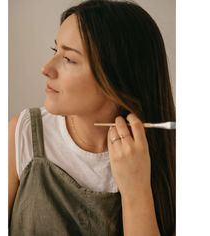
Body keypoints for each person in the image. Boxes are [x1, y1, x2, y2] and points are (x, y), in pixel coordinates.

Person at [9, 0, 176, 235]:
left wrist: (136, 191)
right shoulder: (22, 133)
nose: (46, 68)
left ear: (118, 78)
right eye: (55, 51)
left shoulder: (167, 158)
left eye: (69, 59)